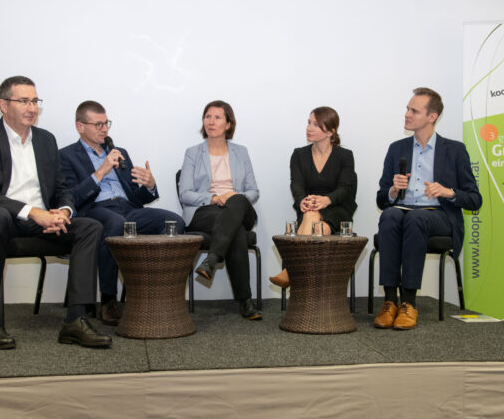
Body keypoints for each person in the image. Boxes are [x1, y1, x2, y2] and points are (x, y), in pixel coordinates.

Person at [0, 76, 112, 349]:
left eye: (35, 101)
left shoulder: (45, 140)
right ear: (4, 105)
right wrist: (33, 212)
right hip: (2, 220)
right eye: (23, 101)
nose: (31, 107)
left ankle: (75, 320)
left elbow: (61, 188)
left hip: (42, 221)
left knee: (90, 227)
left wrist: (62, 211)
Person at [59, 101, 185, 325]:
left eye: (106, 123)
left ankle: (157, 293)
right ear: (80, 126)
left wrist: (149, 186)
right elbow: (71, 198)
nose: (104, 129)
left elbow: (136, 197)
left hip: (128, 209)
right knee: (115, 224)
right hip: (95, 211)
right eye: (98, 124)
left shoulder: (120, 152)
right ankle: (108, 300)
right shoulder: (67, 156)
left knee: (173, 222)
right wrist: (101, 171)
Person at [374, 87, 481, 330]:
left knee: (417, 219)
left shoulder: (454, 150)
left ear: (432, 117)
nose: (407, 114)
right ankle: (390, 301)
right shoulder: (397, 148)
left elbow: (475, 199)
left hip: (439, 216)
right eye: (407, 109)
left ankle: (409, 303)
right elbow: (381, 199)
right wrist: (392, 191)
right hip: (402, 210)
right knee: (390, 215)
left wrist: (448, 192)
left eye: (414, 110)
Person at [178, 100, 262, 320]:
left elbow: (253, 191)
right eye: (207, 116)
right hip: (205, 211)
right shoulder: (192, 153)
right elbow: (185, 193)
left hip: (239, 208)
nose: (211, 121)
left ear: (228, 124)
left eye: (217, 117)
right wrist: (214, 198)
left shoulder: (240, 152)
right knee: (237, 234)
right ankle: (245, 301)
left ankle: (213, 258)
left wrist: (232, 197)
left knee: (237, 201)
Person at [269, 106, 357, 288]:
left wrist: (326, 200)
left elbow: (345, 189)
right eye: (309, 122)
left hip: (337, 209)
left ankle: (292, 271)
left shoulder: (345, 156)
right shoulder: (299, 154)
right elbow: (296, 185)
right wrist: (302, 200)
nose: (309, 128)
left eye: (316, 125)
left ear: (330, 131)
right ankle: (309, 284)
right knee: (317, 227)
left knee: (312, 218)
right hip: (309, 207)